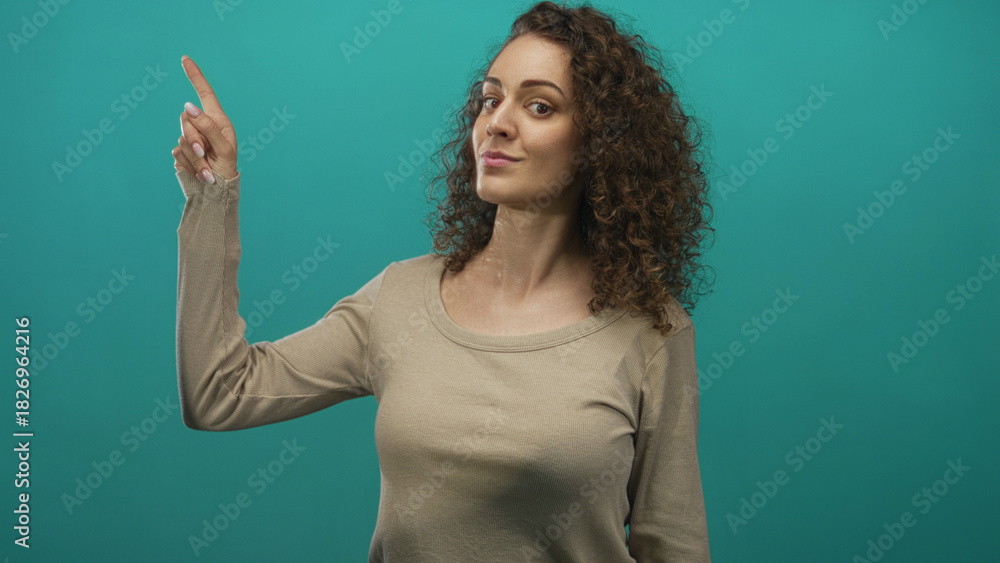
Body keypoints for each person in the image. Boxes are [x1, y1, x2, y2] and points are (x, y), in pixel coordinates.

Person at [172, 1, 713, 561]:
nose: (498, 122)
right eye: (490, 98)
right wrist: (215, 194)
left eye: (539, 106)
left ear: (600, 143)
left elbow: (672, 546)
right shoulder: (400, 298)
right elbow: (219, 393)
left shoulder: (652, 333)